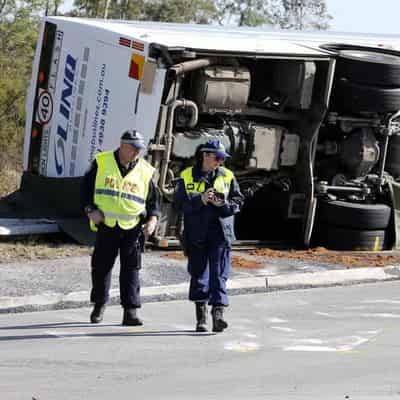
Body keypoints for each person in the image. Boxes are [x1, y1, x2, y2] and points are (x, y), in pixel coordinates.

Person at [81, 130, 159, 326]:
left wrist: (153, 219)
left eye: (140, 149)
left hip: (133, 227)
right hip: (107, 224)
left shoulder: (145, 170)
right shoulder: (102, 162)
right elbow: (85, 190)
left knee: (131, 269)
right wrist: (91, 209)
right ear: (123, 146)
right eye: (134, 148)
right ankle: (99, 305)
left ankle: (130, 312)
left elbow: (153, 201)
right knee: (101, 267)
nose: (137, 153)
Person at [173, 139, 244, 333]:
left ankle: (218, 315)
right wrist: (201, 200)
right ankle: (201, 318)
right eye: (217, 157)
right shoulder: (187, 176)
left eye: (222, 158)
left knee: (219, 274)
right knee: (199, 275)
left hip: (221, 233)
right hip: (197, 233)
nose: (220, 162)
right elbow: (179, 206)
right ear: (205, 155)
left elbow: (238, 200)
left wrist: (223, 205)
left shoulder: (227, 176)